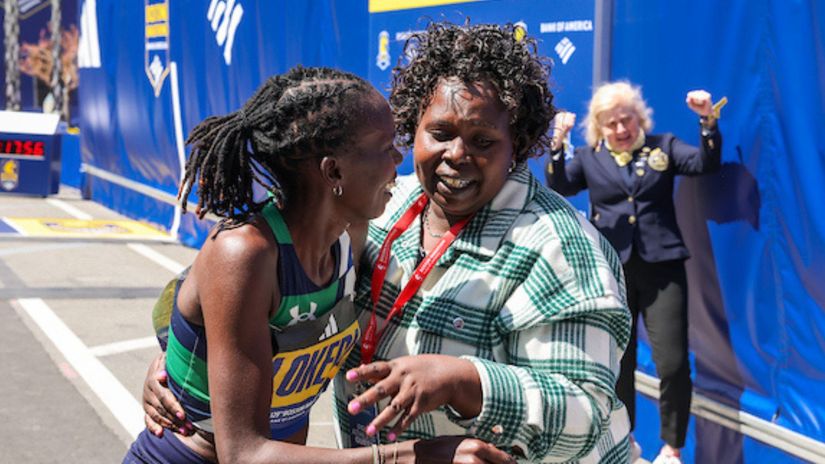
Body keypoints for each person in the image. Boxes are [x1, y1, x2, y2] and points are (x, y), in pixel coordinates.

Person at [145, 23, 633, 463]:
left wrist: (467, 381)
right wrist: (182, 365)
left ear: (518, 146)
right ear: (413, 129)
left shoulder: (562, 247)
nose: (456, 156)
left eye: (483, 141)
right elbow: (218, 289)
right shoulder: (377, 210)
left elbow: (586, 413)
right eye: (440, 133)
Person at [546, 81, 722, 464]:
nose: (621, 129)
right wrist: (557, 144)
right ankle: (622, 445)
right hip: (612, 274)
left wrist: (708, 121)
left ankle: (672, 447)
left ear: (639, 118)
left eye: (626, 120)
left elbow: (704, 163)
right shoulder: (590, 158)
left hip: (663, 270)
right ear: (600, 129)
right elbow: (558, 184)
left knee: (672, 363)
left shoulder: (664, 146)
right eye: (611, 124)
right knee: (617, 364)